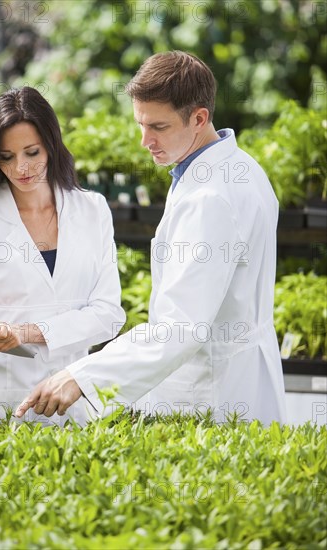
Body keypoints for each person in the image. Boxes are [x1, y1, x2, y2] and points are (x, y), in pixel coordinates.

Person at [15, 51, 287, 426]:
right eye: (140, 124)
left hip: (210, 392)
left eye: (158, 127)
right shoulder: (242, 168)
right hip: (237, 380)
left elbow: (179, 328)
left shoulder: (210, 198)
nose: (145, 141)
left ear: (199, 118)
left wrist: (82, 375)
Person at [0, 86, 125, 425]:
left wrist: (27, 332)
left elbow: (109, 315)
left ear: (51, 143)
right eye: (6, 157)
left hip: (73, 404)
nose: (21, 168)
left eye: (32, 152)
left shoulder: (92, 210)